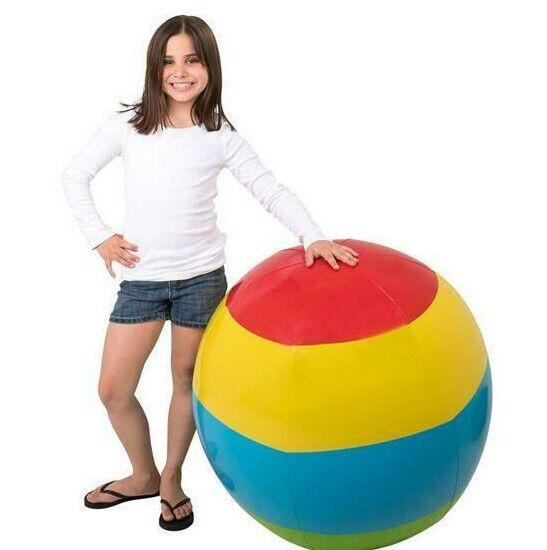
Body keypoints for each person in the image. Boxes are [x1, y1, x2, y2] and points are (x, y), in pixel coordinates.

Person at [61, 14, 360, 532]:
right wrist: (99, 236)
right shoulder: (130, 127)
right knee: (113, 388)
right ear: (155, 69)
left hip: (201, 279)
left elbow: (268, 187)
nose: (181, 72)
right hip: (144, 281)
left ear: (209, 67)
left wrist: (312, 234)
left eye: (192, 60)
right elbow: (75, 175)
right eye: (169, 61)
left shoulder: (218, 133)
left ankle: (172, 478)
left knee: (185, 380)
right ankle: (142, 475)